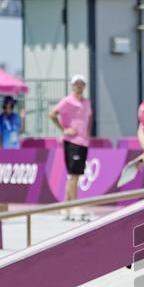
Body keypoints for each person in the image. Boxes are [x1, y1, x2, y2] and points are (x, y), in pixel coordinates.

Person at [48, 75, 92, 219]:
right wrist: (63, 129)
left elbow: (87, 120)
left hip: (83, 142)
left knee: (76, 175)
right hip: (72, 142)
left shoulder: (86, 102)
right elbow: (52, 114)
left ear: (84, 86)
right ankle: (74, 206)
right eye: (76, 84)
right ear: (72, 86)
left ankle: (65, 207)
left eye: (81, 84)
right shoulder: (67, 101)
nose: (79, 86)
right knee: (73, 176)